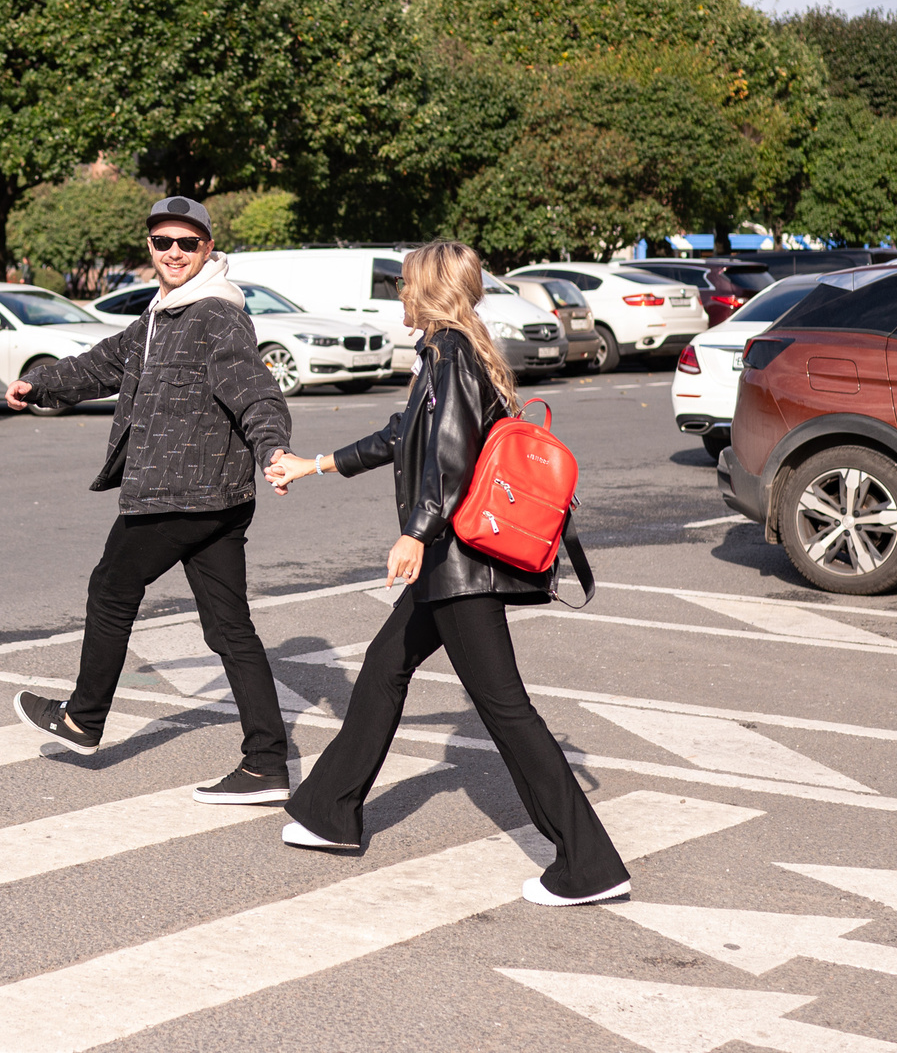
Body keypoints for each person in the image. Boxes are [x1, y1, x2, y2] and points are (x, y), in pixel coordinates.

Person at [266, 240, 631, 907]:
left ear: (427, 288)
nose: (398, 292)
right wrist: (311, 464)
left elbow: (452, 456)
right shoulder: (450, 349)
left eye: (405, 282)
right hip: (452, 557)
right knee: (384, 665)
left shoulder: (451, 353)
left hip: (461, 562)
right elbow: (401, 434)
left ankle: (590, 863)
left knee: (505, 709)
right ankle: (329, 812)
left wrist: (415, 530)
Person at [7, 196, 296, 805]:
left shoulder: (215, 314)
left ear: (207, 250)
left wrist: (273, 448)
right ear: (151, 249)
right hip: (213, 498)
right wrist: (40, 385)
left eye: (186, 244)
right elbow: (103, 363)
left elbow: (255, 391)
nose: (172, 253)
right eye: (162, 243)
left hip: (179, 495)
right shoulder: (161, 315)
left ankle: (84, 720)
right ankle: (267, 761)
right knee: (229, 628)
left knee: (112, 588)